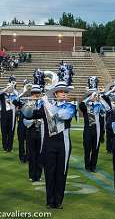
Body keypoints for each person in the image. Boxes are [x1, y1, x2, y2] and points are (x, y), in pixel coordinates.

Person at [23, 81, 76, 209]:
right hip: (49, 144)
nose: (64, 94)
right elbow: (29, 115)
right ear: (55, 94)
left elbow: (62, 115)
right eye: (61, 92)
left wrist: (46, 103)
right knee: (49, 172)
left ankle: (58, 201)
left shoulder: (70, 106)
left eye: (65, 92)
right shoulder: (46, 106)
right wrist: (30, 103)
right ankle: (49, 200)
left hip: (63, 144)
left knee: (61, 173)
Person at [79, 77, 109, 172]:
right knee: (87, 149)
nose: (94, 96)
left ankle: (93, 166)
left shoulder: (100, 105)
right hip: (88, 130)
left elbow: (108, 109)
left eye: (94, 95)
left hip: (98, 130)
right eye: (92, 95)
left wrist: (101, 98)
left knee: (95, 149)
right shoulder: (86, 106)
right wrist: (89, 98)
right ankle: (87, 166)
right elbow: (81, 105)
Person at [22, 85, 44, 182]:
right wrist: (33, 122)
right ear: (31, 94)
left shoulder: (43, 103)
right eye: (34, 93)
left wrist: (40, 122)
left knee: (40, 154)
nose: (36, 95)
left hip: (41, 131)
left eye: (37, 93)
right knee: (31, 154)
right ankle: (31, 175)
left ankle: (38, 175)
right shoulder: (27, 104)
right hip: (31, 131)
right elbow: (24, 119)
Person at [0, 81, 19, 152]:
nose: (9, 88)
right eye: (8, 87)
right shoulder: (3, 95)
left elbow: (18, 100)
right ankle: (5, 147)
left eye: (10, 87)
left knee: (11, 131)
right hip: (4, 114)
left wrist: (13, 89)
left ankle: (10, 147)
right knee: (4, 131)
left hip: (12, 114)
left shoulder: (15, 95)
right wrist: (6, 89)